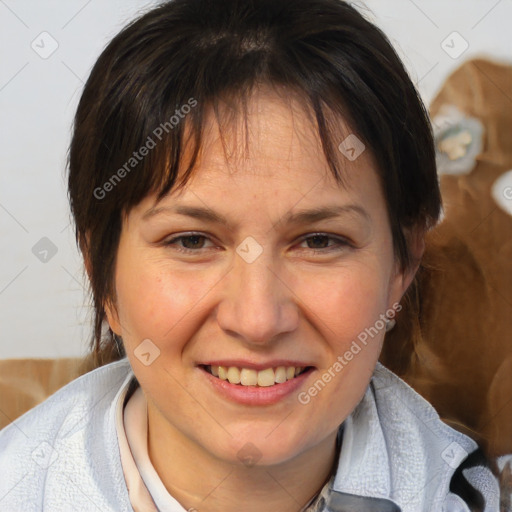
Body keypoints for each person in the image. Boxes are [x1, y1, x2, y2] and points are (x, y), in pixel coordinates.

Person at [0, 0, 501, 510]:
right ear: (102, 277)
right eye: (191, 241)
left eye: (319, 241)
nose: (258, 321)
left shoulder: (463, 494)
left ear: (402, 266)